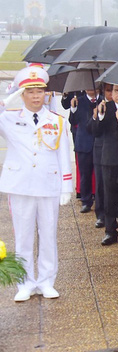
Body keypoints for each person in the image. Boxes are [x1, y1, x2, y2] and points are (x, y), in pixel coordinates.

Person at [0, 66, 72, 301]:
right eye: (30, 92)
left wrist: (66, 187)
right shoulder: (9, 119)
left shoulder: (57, 121)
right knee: (22, 236)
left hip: (48, 185)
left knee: (48, 234)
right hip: (20, 186)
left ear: (46, 94)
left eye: (39, 91)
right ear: (22, 94)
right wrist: (5, 101)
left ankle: (46, 281)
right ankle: (25, 283)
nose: (35, 96)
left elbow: (63, 155)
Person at [91, 84, 118, 245]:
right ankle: (110, 231)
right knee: (109, 197)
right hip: (110, 159)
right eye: (117, 91)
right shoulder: (105, 107)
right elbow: (95, 131)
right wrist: (99, 116)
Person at [68, 89, 99, 215]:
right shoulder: (78, 101)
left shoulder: (103, 101)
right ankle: (86, 201)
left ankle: (101, 202)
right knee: (85, 175)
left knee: (100, 177)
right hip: (83, 143)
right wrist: (73, 108)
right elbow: (73, 121)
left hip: (99, 143)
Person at [87, 83, 113, 229]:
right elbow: (91, 129)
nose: (111, 94)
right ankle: (101, 214)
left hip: (117, 152)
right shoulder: (99, 106)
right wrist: (97, 116)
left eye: (114, 90)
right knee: (101, 185)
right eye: (108, 91)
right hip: (101, 150)